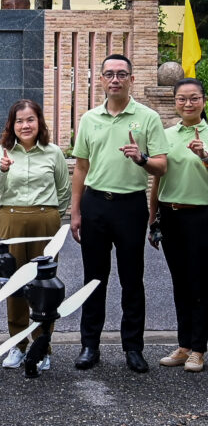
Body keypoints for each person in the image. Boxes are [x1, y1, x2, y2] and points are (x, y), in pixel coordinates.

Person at [70, 54, 168, 373]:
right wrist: (75, 212)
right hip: (95, 203)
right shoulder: (89, 119)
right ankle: (89, 346)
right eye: (109, 74)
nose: (115, 79)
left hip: (130, 206)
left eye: (121, 74)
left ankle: (134, 348)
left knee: (131, 280)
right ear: (100, 79)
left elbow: (161, 166)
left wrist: (141, 158)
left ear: (131, 80)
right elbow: (81, 167)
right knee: (94, 279)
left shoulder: (148, 117)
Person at [0, 99, 70, 370]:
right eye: (19, 120)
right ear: (12, 125)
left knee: (44, 285)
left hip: (45, 220)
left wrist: (50, 214)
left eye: (30, 119)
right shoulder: (4, 151)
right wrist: (3, 169)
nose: (25, 125)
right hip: (11, 219)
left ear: (39, 122)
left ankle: (42, 347)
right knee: (15, 283)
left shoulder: (53, 152)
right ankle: (17, 346)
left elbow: (64, 191)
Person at [148, 78, 208, 373]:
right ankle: (184, 345)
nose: (188, 103)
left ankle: (199, 348)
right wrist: (152, 218)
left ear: (204, 101)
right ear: (175, 102)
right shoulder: (166, 134)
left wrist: (204, 156)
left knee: (200, 284)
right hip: (170, 215)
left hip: (201, 216)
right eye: (182, 98)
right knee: (180, 283)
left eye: (194, 98)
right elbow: (157, 178)